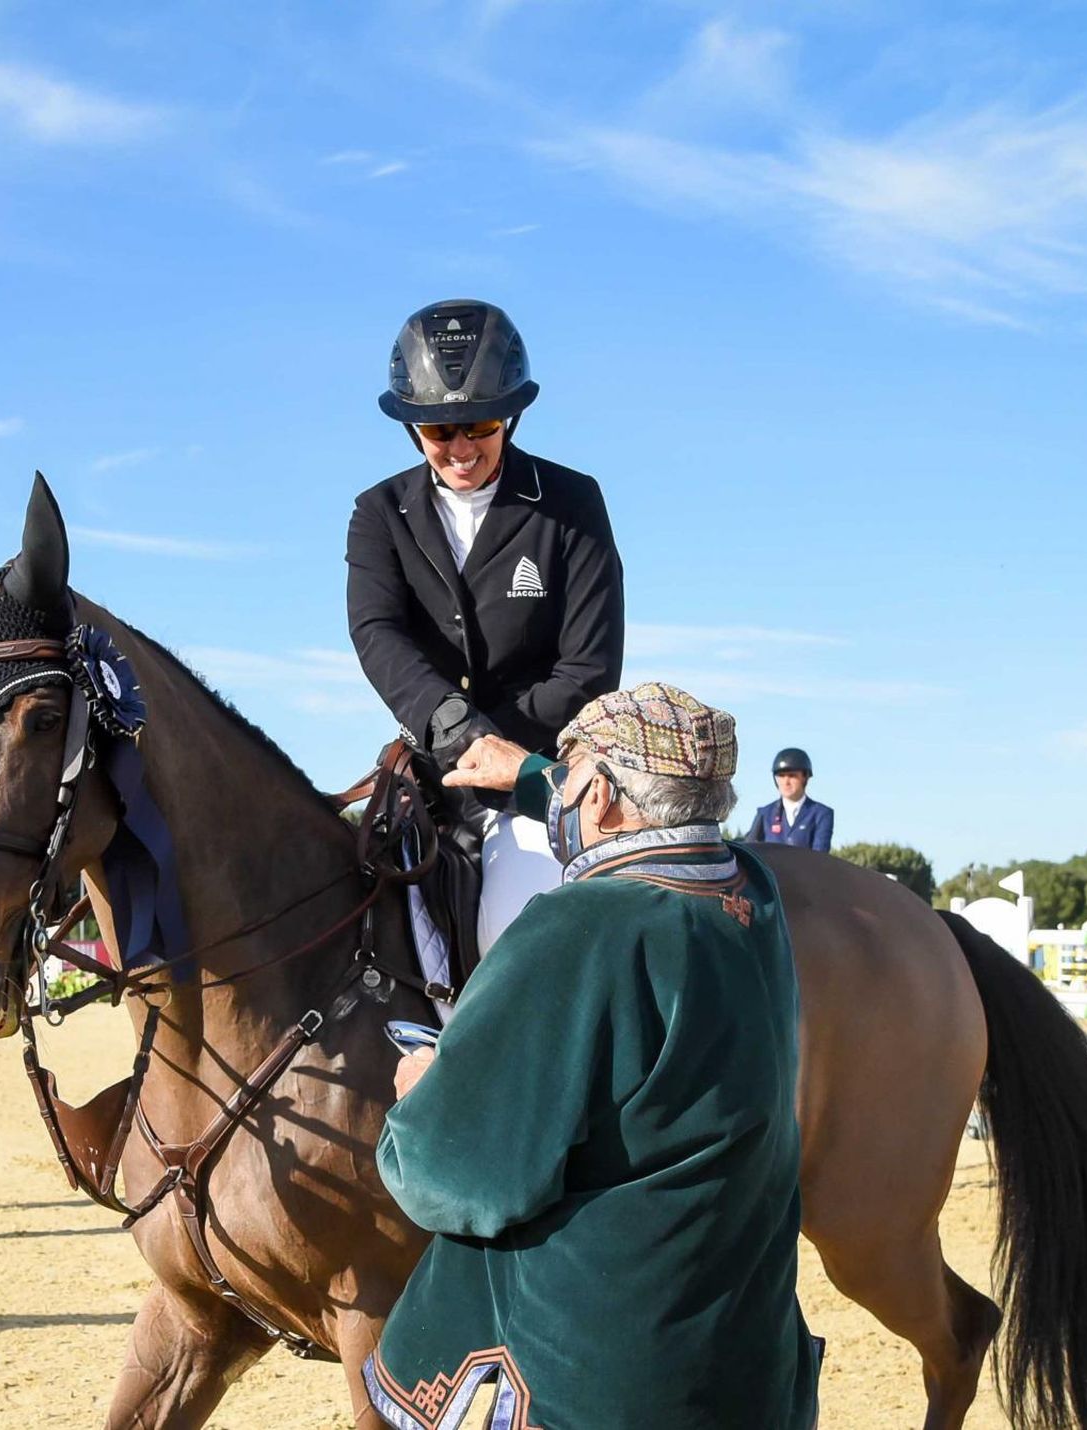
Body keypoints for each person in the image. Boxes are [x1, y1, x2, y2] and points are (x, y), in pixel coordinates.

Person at [362, 683, 820, 1430]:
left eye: (571, 781)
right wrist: (537, 772)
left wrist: (424, 1095)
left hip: (605, 1383)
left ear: (602, 797)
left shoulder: (578, 925)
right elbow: (661, 812)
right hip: (747, 1370)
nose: (563, 798)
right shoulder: (752, 893)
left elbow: (462, 1177)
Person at [346, 298, 625, 967]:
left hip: (540, 770)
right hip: (431, 766)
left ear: (511, 415)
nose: (461, 448)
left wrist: (502, 751)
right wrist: (451, 728)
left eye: (478, 423)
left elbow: (589, 666)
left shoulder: (571, 504)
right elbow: (377, 630)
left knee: (519, 943)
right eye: (439, 432)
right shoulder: (379, 513)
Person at [746, 746, 833, 852]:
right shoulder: (764, 813)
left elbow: (820, 856)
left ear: (804, 777)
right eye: (781, 776)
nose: (786, 782)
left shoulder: (821, 814)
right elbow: (750, 849)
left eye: (792, 776)